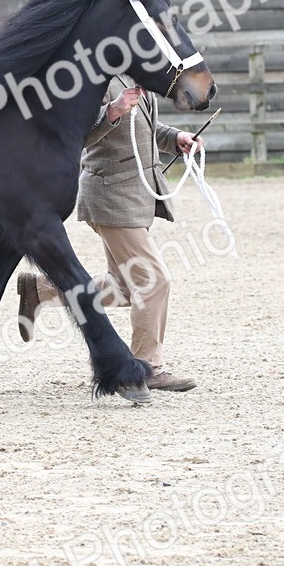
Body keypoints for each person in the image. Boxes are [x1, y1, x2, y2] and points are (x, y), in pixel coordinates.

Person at [16, 76, 203, 392]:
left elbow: (143, 130)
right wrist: (112, 112)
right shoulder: (93, 80)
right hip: (111, 196)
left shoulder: (134, 78)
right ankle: (146, 368)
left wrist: (176, 138)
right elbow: (79, 135)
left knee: (125, 286)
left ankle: (43, 289)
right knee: (154, 281)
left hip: (133, 196)